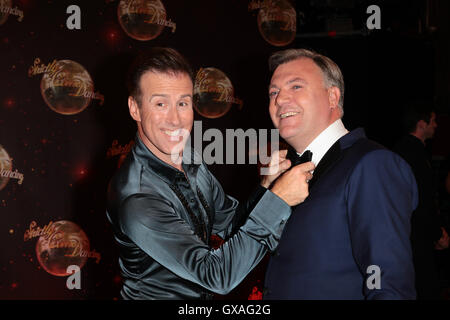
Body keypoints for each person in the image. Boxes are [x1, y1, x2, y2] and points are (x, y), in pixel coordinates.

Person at [106, 47, 314, 300]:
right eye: (160, 104)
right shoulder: (138, 198)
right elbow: (217, 276)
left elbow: (231, 224)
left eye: (182, 103)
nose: (175, 119)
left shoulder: (188, 157)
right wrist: (277, 201)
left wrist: (267, 186)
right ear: (135, 108)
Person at [262, 48, 418, 299]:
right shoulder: (283, 174)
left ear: (333, 97)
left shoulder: (372, 164)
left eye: (296, 87)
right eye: (273, 92)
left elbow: (387, 282)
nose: (280, 99)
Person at [393, 103, 450, 299]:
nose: (436, 125)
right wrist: (437, 232)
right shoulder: (414, 155)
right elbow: (422, 201)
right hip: (416, 238)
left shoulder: (399, 151)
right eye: (433, 121)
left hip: (403, 234)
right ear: (421, 124)